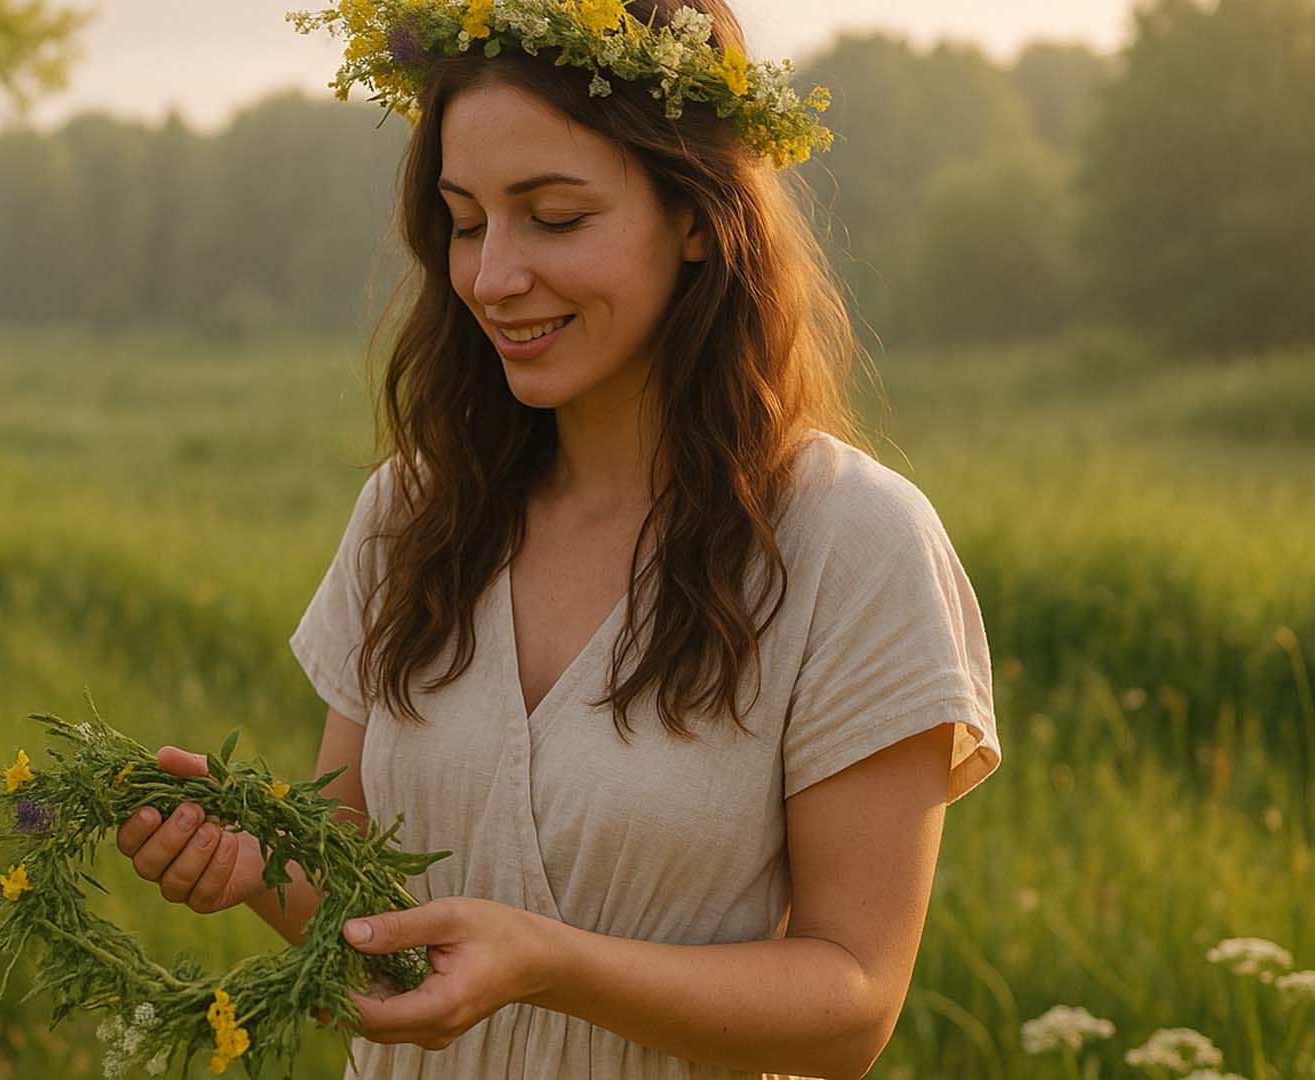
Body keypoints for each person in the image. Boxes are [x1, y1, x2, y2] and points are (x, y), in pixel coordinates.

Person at [116, 1, 1001, 1077]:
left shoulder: (850, 544)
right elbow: (358, 909)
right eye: (466, 221)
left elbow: (851, 1005)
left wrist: (552, 965)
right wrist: (251, 861)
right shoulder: (413, 512)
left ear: (695, 215)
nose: (492, 278)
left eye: (555, 217)